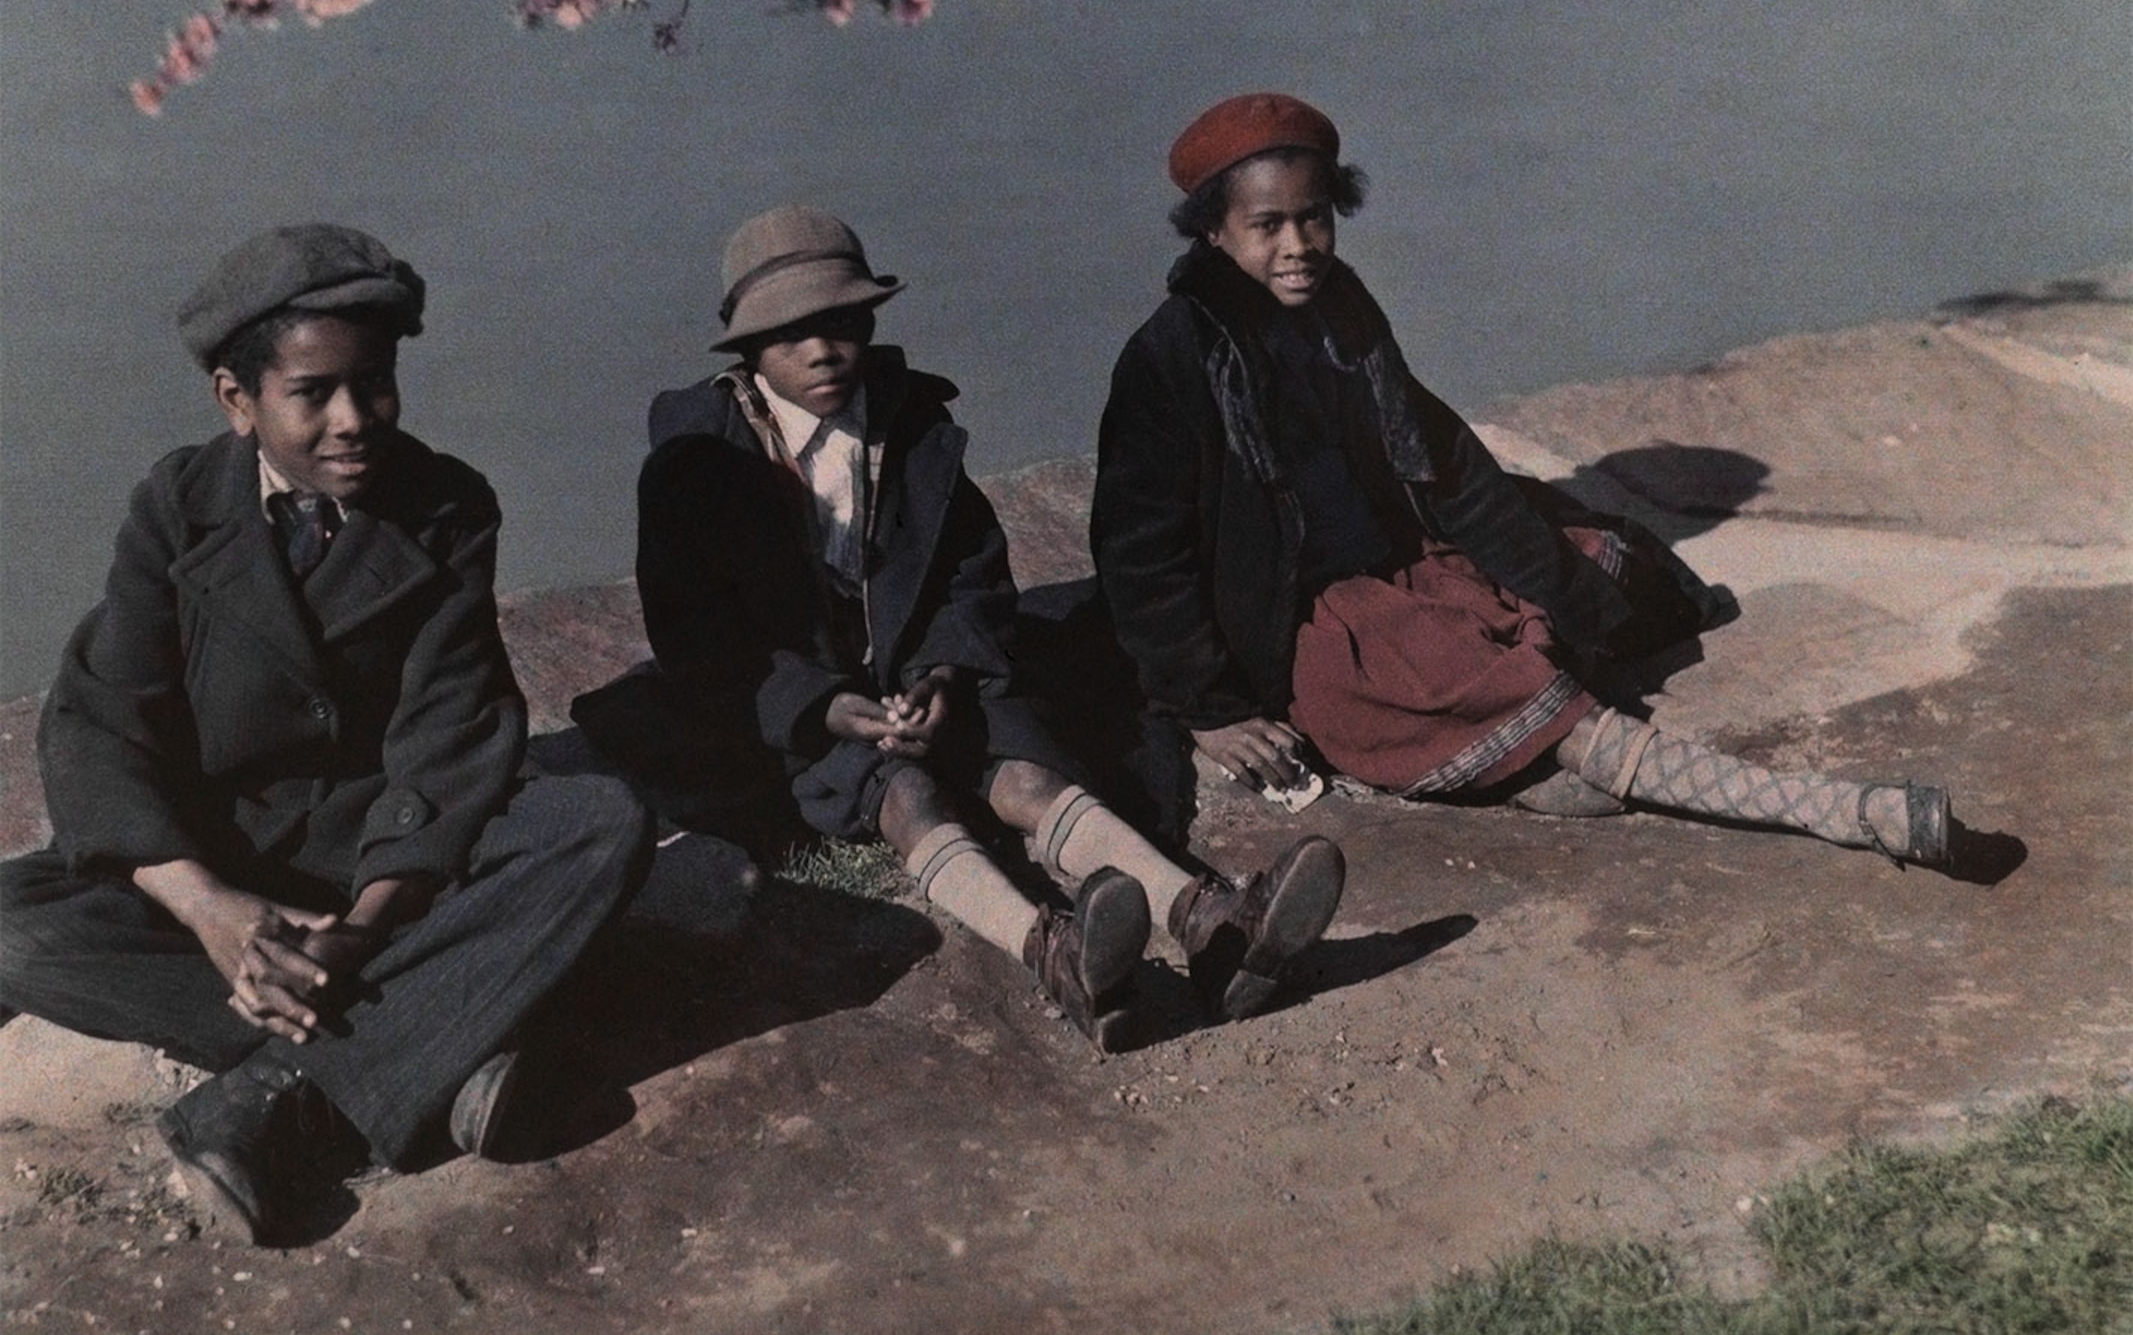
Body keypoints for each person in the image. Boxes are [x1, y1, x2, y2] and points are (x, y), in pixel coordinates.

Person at [1092, 94, 1958, 870]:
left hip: (1396, 557)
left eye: (1314, 219)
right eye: (1266, 226)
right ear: (1213, 231)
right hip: (1299, 615)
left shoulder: (1339, 305)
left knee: (1592, 567)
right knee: (1459, 674)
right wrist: (1207, 709)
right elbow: (1141, 557)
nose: (1297, 248)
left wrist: (1558, 582)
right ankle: (1845, 812)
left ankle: (1527, 759)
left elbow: (1442, 458)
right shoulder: (1170, 361)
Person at [0, 225, 651, 1244]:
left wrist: (361, 932)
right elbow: (97, 726)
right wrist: (216, 915)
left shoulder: (446, 509)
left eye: (376, 383)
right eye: (313, 394)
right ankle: (437, 1052)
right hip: (224, 867)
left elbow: (452, 739)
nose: (355, 421)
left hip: (381, 867)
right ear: (236, 400)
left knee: (596, 820)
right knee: (15, 922)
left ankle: (280, 1096)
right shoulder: (176, 508)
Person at [628, 206, 1347, 1049]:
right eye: (789, 337)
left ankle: (1205, 919)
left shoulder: (911, 425)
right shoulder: (697, 458)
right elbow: (699, 638)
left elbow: (972, 572)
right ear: (748, 352)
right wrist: (821, 705)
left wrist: (941, 672)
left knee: (1024, 769)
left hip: (923, 673)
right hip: (794, 706)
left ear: (869, 322)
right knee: (901, 793)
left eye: (841, 324)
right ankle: (1050, 949)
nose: (822, 351)